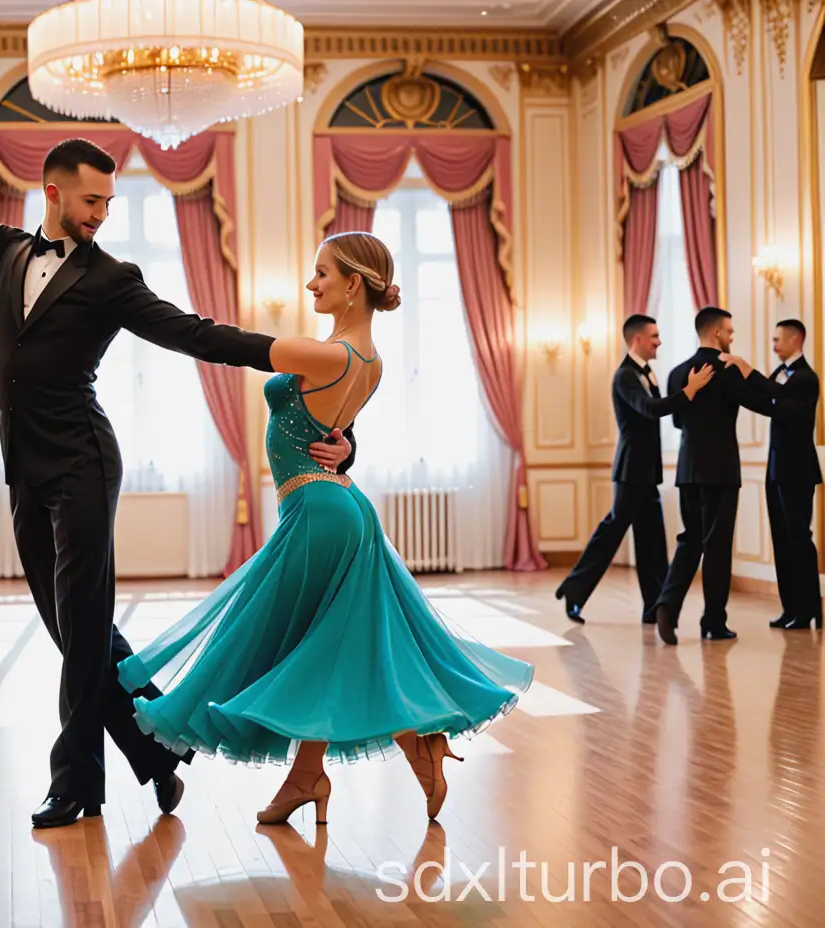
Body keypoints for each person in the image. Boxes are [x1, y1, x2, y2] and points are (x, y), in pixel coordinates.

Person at [0, 129, 357, 829]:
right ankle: (157, 748)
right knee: (78, 630)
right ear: (54, 191)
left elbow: (193, 332)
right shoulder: (7, 251)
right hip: (25, 469)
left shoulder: (111, 279)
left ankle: (75, 785)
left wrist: (289, 355)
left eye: (108, 200)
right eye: (92, 198)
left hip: (83, 465)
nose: (102, 211)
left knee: (81, 628)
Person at [116, 232, 534, 824]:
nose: (312, 284)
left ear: (353, 284)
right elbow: (331, 429)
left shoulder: (328, 355)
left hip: (318, 511)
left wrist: (140, 310)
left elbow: (226, 345)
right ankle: (321, 772)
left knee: (283, 642)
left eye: (321, 274)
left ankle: (395, 748)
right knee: (325, 646)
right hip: (337, 504)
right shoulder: (370, 361)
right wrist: (346, 445)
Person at [555, 314, 713, 624]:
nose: (659, 341)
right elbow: (650, 409)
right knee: (610, 534)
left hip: (646, 473)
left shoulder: (647, 373)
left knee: (652, 541)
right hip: (630, 473)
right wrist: (688, 391)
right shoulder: (625, 376)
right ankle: (574, 591)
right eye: (654, 336)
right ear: (637, 339)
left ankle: (654, 606)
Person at [652, 307, 774, 645]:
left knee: (690, 540)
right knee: (717, 547)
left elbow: (677, 422)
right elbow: (764, 404)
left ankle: (666, 604)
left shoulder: (677, 373)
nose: (732, 337)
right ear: (717, 333)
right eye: (730, 331)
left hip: (688, 468)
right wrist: (749, 372)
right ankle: (714, 622)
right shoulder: (727, 368)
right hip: (721, 470)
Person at [734, 320, 821, 630]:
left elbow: (774, 396)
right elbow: (766, 403)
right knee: (782, 541)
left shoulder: (806, 378)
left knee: (799, 539)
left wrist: (746, 369)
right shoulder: (781, 375)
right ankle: (791, 608)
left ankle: (810, 608)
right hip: (776, 470)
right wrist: (734, 389)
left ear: (796, 339)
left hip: (797, 471)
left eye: (777, 339)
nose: (773, 345)